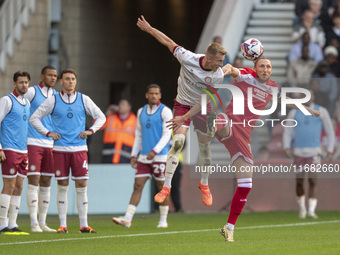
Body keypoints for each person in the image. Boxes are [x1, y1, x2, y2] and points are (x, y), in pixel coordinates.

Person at [200, 57, 320, 242]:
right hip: (231, 125)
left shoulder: (272, 87)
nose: (265, 69)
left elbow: (284, 100)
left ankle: (229, 228)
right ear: (255, 67)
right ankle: (212, 123)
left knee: (246, 185)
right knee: (223, 119)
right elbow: (233, 68)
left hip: (244, 137)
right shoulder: (247, 75)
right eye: (262, 66)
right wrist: (223, 71)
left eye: (268, 67)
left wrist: (305, 108)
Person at [137, 15, 228, 207]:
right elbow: (168, 42)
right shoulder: (188, 58)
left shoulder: (218, 75)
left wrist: (184, 118)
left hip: (203, 108)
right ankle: (166, 187)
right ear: (209, 58)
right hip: (183, 104)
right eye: (218, 61)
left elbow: (204, 100)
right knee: (177, 142)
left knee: (204, 147)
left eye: (222, 62)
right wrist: (150, 29)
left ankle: (204, 184)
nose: (220, 65)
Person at [30, 69, 106, 233]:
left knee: (81, 184)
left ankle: (84, 225)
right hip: (60, 150)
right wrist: (48, 133)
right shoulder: (53, 100)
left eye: (73, 79)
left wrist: (91, 131)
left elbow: (101, 117)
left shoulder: (84, 99)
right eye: (67, 79)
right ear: (61, 82)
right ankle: (62, 225)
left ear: (76, 82)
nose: (70, 81)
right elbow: (34, 118)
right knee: (62, 185)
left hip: (79, 149)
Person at [112, 84, 173, 228]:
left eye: (156, 93)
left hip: (161, 157)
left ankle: (163, 220)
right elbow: (138, 134)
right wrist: (134, 154)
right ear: (146, 95)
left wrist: (156, 150)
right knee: (137, 185)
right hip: (144, 157)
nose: (153, 96)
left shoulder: (165, 111)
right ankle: (127, 218)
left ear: (160, 95)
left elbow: (167, 134)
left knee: (161, 187)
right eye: (151, 93)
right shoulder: (141, 111)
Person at [283, 90, 334, 219]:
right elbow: (288, 130)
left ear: (314, 96)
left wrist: (330, 149)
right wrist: (287, 146)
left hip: (314, 151)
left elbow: (330, 131)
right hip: (299, 151)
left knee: (313, 180)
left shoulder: (321, 111)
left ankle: (311, 210)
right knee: (299, 181)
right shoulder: (294, 112)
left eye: (310, 95)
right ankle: (302, 208)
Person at [25, 66, 58, 233]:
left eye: (55, 76)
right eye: (49, 75)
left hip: (50, 144)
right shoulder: (32, 92)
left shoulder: (56, 96)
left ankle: (43, 222)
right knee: (34, 180)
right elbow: (20, 108)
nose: (52, 78)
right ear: (42, 76)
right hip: (32, 142)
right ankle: (33, 223)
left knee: (46, 182)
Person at [0, 71, 31, 235]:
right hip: (9, 150)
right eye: (21, 82)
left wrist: (27, 150)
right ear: (14, 84)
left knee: (19, 187)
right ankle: (2, 223)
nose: (24, 85)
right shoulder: (6, 101)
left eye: (26, 82)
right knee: (9, 186)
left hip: (23, 150)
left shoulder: (27, 103)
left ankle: (12, 223)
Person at [101, 99, 137, 164]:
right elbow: (97, 125)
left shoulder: (135, 121)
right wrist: (107, 113)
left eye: (123, 104)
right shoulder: (110, 117)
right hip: (108, 157)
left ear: (129, 107)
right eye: (119, 104)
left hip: (125, 158)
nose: (120, 106)